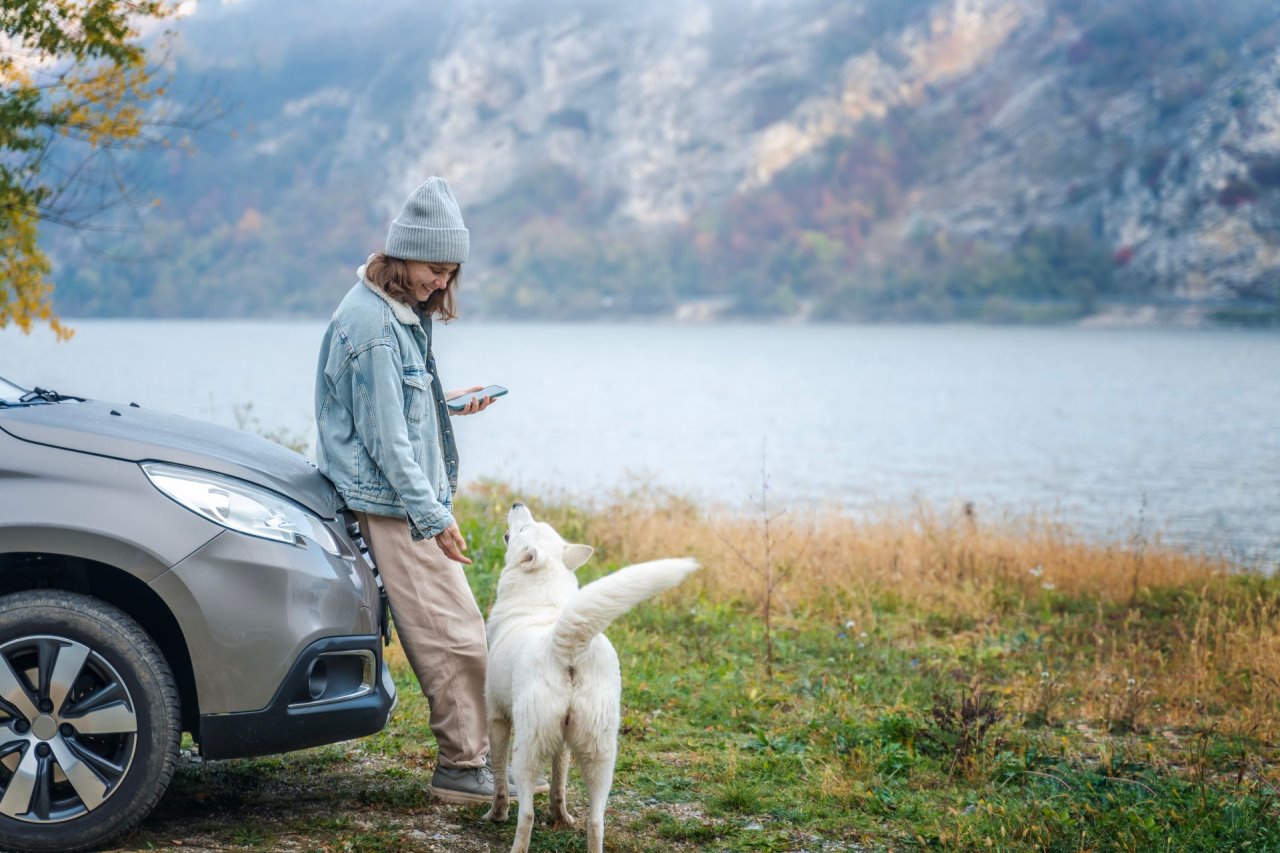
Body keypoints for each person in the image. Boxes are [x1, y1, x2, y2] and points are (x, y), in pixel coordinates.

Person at [314, 177, 534, 804]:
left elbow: (388, 414)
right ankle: (465, 770)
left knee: (459, 630)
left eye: (449, 272)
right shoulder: (378, 329)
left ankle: (477, 761)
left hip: (399, 499)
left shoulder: (391, 313)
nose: (441, 283)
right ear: (403, 255)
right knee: (455, 637)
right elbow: (386, 444)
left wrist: (446, 404)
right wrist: (434, 516)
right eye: (435, 269)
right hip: (395, 507)